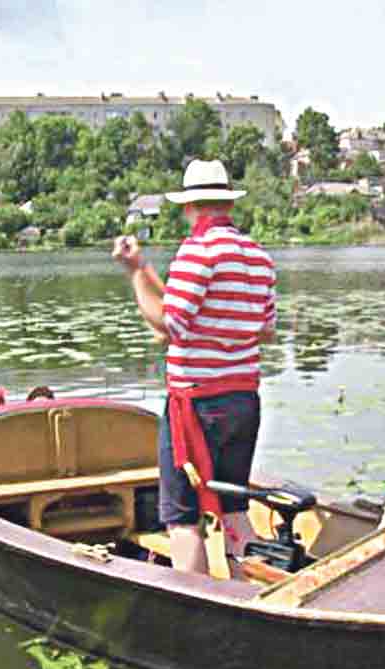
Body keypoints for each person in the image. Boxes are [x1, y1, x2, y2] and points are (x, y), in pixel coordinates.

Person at [111, 158, 277, 574]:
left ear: (189, 207)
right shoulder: (258, 256)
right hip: (244, 400)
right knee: (235, 505)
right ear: (227, 205)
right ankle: (254, 594)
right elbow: (265, 331)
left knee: (182, 517)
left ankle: (195, 602)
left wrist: (134, 274)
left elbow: (169, 324)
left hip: (197, 405)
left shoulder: (197, 251)